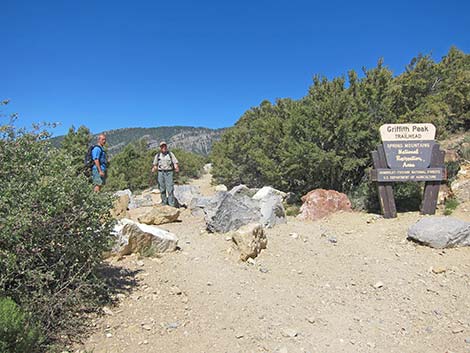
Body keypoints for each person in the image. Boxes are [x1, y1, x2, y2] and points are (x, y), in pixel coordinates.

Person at [152, 141, 179, 207]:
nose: (163, 147)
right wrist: (153, 169)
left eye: (164, 146)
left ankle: (171, 204)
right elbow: (155, 165)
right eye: (162, 146)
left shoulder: (170, 154)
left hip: (169, 172)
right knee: (162, 189)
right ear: (160, 148)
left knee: (170, 189)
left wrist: (176, 167)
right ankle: (164, 203)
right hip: (161, 173)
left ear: (166, 147)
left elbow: (175, 162)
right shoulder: (158, 155)